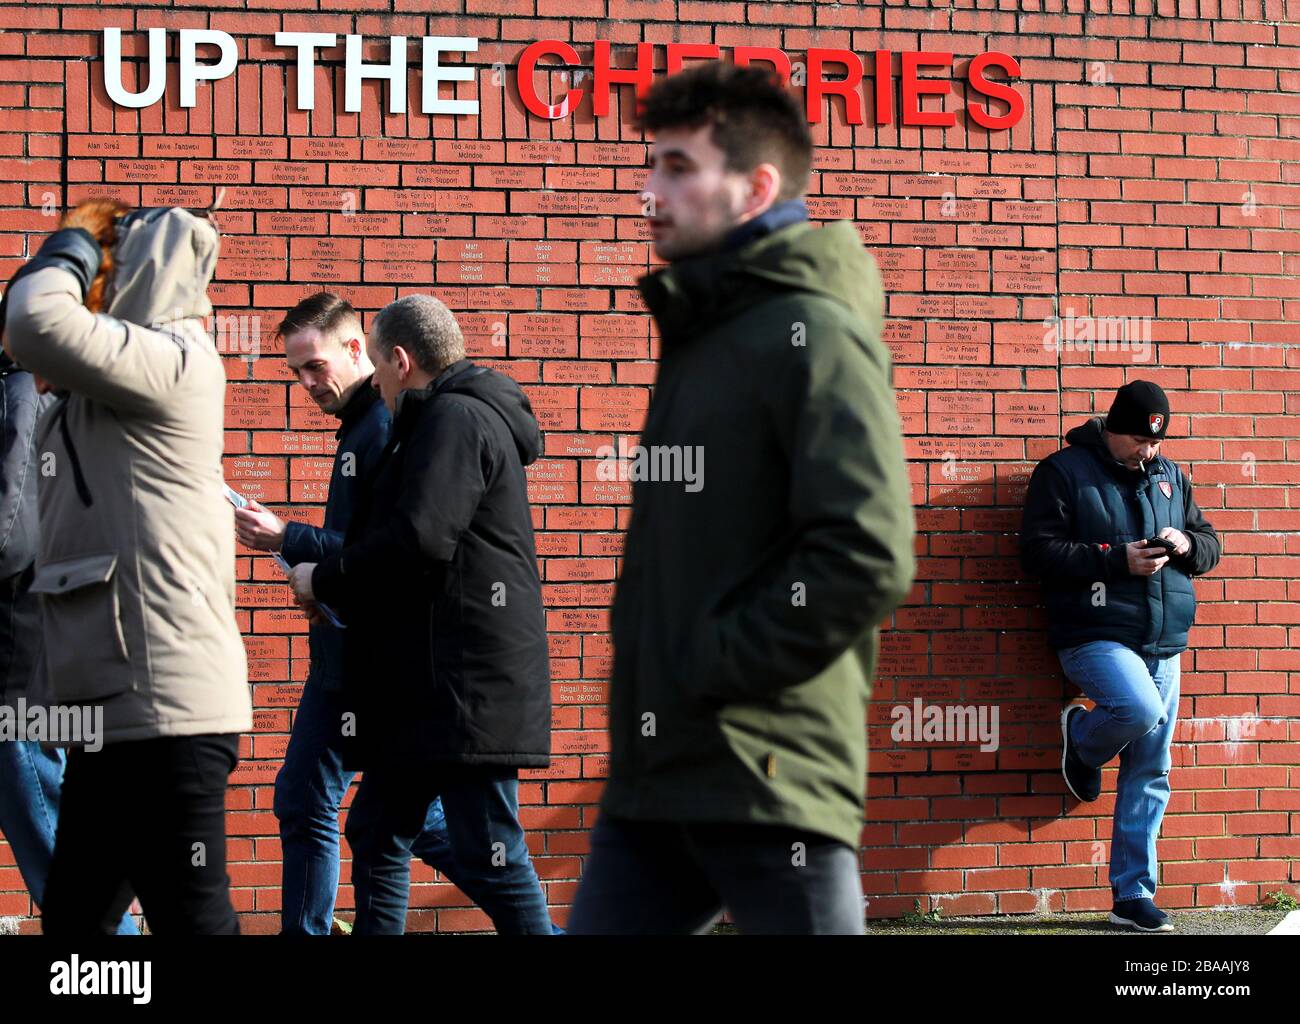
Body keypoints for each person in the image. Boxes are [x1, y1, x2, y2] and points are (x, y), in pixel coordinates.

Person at [565, 61, 916, 935]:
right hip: (656, 777)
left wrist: (710, 663)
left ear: (757, 187)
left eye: (679, 168)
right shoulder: (706, 331)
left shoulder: (813, 332)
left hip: (767, 774)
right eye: (653, 165)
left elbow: (867, 550)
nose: (650, 190)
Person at [1, 200, 252, 934]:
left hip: (168, 711)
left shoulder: (177, 364)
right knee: (76, 924)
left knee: (193, 919)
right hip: (107, 715)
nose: (92, 286)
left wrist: (73, 242)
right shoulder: (97, 396)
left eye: (107, 271)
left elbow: (38, 323)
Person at [286, 294, 554, 935]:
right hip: (434, 684)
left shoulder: (454, 420)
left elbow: (417, 541)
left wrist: (322, 575)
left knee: (491, 855)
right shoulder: (443, 420)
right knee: (376, 828)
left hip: (468, 688)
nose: (374, 383)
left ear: (400, 362)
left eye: (376, 368)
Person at [236, 292, 479, 934]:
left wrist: (287, 538)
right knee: (393, 817)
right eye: (296, 372)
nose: (307, 384)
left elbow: (385, 556)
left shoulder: (382, 430)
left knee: (321, 802)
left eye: (314, 366)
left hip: (371, 663)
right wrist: (319, 583)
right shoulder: (361, 428)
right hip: (346, 656)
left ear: (356, 350)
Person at [1020, 380, 1220, 932]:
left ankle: (1131, 895)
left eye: (1155, 441)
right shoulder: (1063, 471)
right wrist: (1114, 561)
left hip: (1163, 639)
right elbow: (1036, 551)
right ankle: (1082, 743)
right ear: (1111, 428)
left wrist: (1185, 545)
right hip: (1094, 633)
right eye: (1137, 439)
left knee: (1151, 767)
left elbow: (1210, 545)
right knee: (1139, 711)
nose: (1147, 450)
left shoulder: (1170, 476)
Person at [0, 350, 137, 935]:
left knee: (46, 820)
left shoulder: (22, 393)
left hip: (21, 654)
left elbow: (10, 532)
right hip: (50, 637)